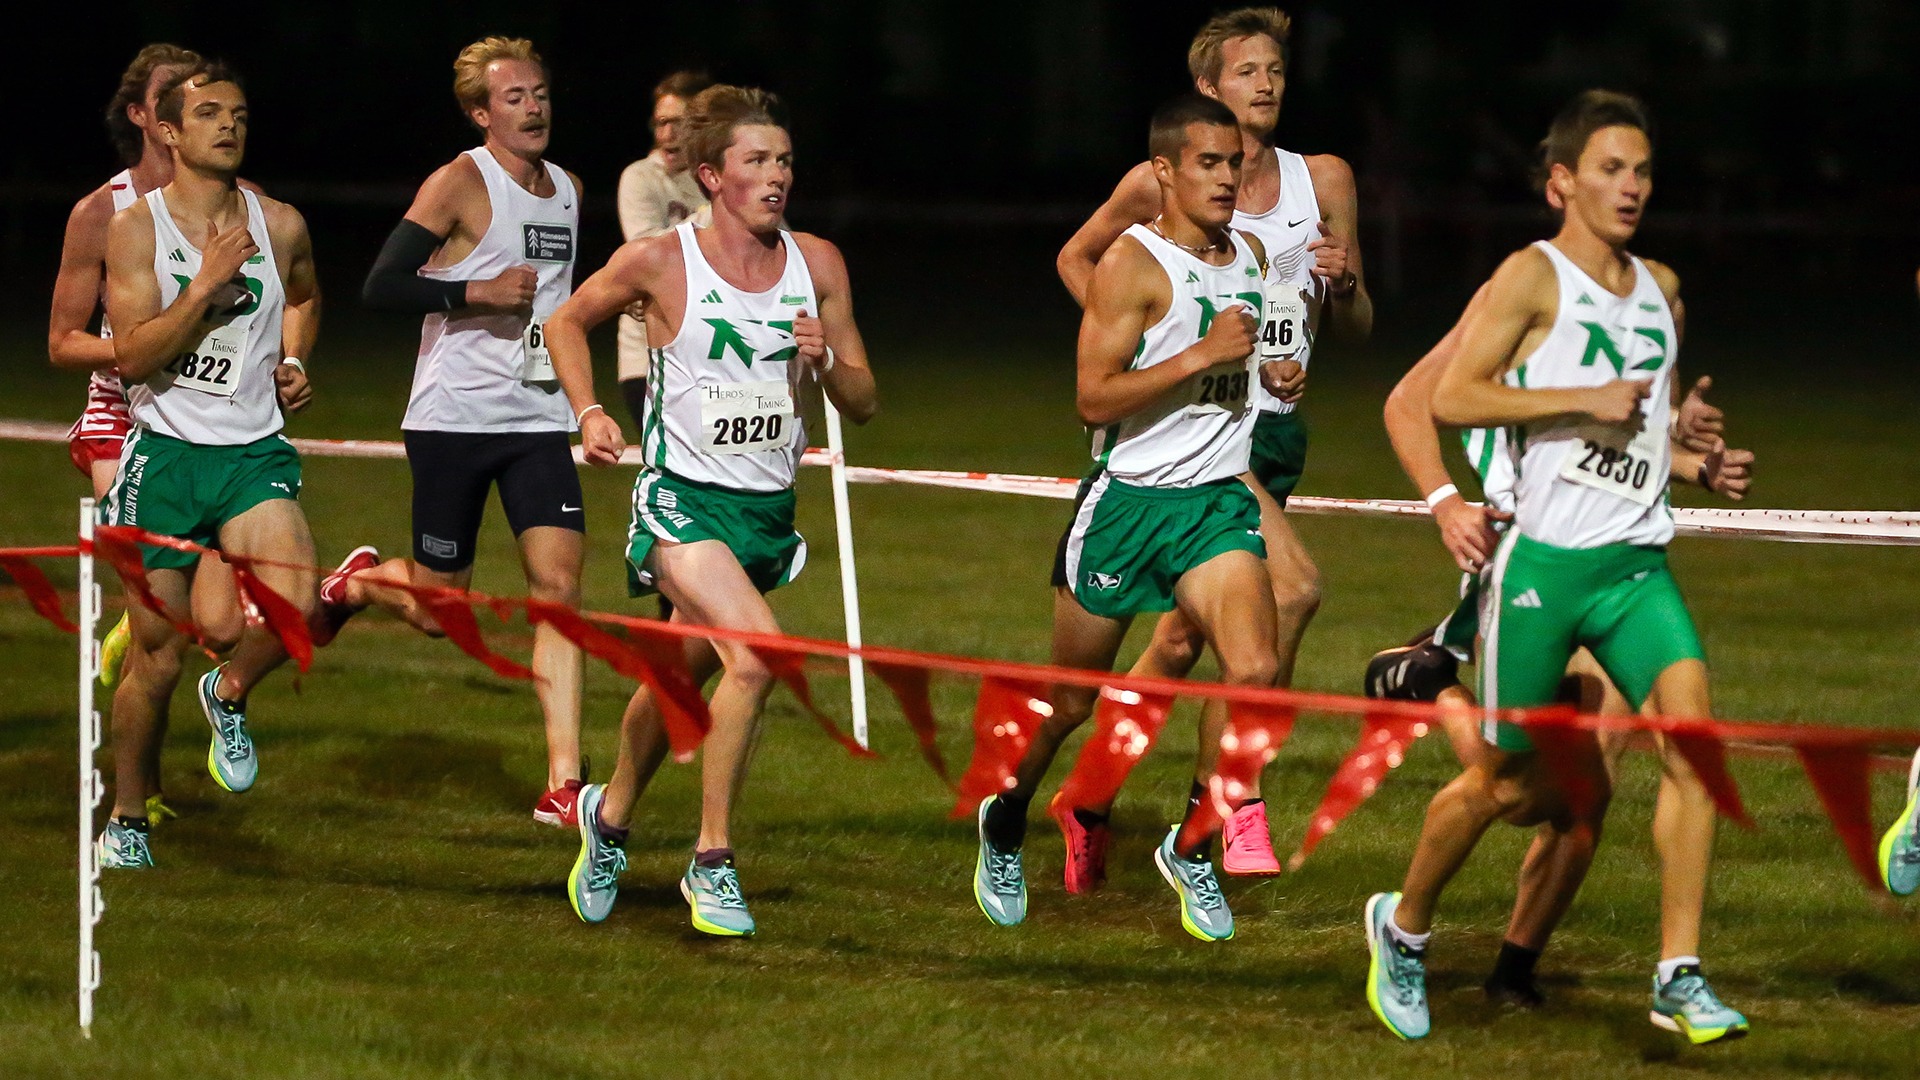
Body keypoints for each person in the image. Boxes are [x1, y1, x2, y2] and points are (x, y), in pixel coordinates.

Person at [1362, 90, 1750, 1044]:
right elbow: (1448, 397)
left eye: (1644, 171)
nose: (1631, 187)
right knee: (1512, 787)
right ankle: (1403, 928)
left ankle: (1677, 973)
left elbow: (1635, 429)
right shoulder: (1529, 280)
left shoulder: (1661, 287)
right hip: (1540, 569)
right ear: (1562, 184)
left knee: (1689, 747)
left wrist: (1694, 453)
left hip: (1633, 569)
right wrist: (1580, 402)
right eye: (1612, 170)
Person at [546, 85, 878, 937]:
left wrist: (827, 360)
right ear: (711, 176)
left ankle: (609, 819)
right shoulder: (661, 260)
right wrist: (588, 411)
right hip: (679, 506)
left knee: (678, 675)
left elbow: (864, 399)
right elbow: (565, 322)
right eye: (756, 162)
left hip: (765, 515)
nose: (776, 178)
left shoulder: (820, 263)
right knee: (757, 661)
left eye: (785, 161)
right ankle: (713, 860)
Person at [1051, 6, 1369, 880]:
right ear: (1207, 88)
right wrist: (1152, 349)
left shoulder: (1326, 179)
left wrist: (1344, 292)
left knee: (1182, 643)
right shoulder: (1169, 178)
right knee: (1295, 589)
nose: (1265, 84)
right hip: (1196, 433)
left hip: (1275, 430)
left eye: (1275, 69)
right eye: (1246, 72)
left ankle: (1089, 796)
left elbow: (1359, 319)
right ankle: (1224, 807)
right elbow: (1079, 259)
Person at [974, 95, 1279, 943]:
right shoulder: (1132, 265)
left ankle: (1194, 848)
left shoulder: (1248, 254)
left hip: (1215, 502)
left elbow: (1232, 374)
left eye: (1235, 162)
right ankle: (1005, 818)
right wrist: (1201, 357)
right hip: (1127, 506)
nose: (1227, 177)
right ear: (1164, 172)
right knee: (1069, 702)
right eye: (1209, 163)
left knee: (1254, 669)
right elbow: (1091, 397)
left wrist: (1266, 377)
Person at [336, 37, 590, 828]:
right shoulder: (459, 181)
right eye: (514, 98)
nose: (534, 107)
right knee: (447, 609)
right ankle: (365, 582)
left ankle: (564, 781)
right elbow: (379, 287)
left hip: (539, 418)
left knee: (560, 589)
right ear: (482, 114)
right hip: (454, 420)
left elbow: (562, 303)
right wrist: (473, 289)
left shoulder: (571, 191)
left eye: (540, 93)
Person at [94, 61, 322, 868]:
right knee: (156, 654)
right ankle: (127, 816)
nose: (229, 125)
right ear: (167, 131)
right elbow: (130, 356)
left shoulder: (280, 223)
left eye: (240, 113)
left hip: (251, 450)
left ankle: (227, 693)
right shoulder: (136, 230)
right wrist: (205, 290)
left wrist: (295, 358)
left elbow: (302, 293)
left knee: (296, 603)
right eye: (210, 113)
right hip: (163, 458)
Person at [49, 44, 252, 722]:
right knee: (160, 623)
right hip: (123, 421)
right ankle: (137, 803)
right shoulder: (100, 212)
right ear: (146, 116)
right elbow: (62, 341)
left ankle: (136, 638)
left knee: (221, 629)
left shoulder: (245, 206)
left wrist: (288, 364)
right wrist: (142, 350)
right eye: (178, 95)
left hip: (213, 422)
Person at [615, 70, 713, 431]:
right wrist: (714, 216)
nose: (667, 135)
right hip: (650, 359)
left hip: (716, 353)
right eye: (661, 123)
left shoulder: (727, 177)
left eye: (680, 123)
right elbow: (649, 254)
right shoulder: (640, 178)